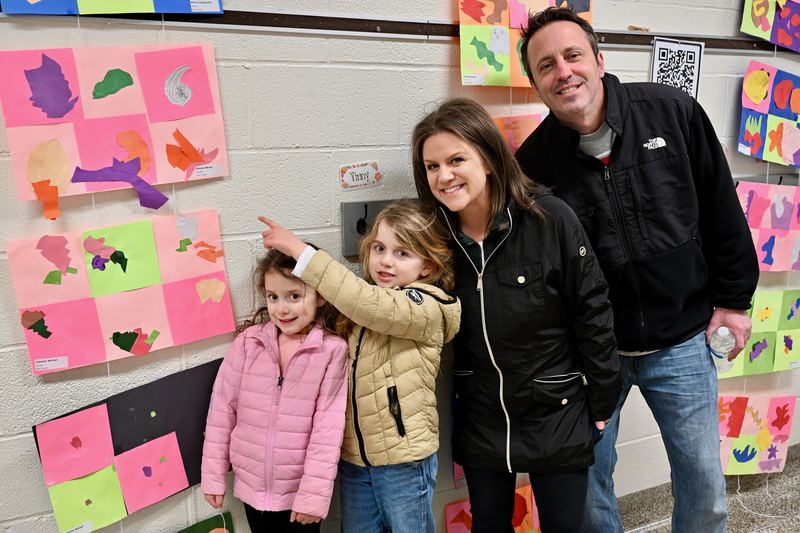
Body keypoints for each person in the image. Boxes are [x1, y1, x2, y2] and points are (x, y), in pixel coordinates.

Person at [516, 7, 760, 532]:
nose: (563, 72)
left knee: (704, 483)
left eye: (573, 55)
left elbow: (722, 209)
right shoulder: (532, 165)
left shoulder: (672, 112)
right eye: (546, 65)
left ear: (599, 60)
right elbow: (541, 274)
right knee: (585, 487)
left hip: (683, 337)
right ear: (535, 83)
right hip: (591, 352)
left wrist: (734, 302)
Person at [412, 97, 621, 533]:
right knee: (488, 524)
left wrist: (603, 399)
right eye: (432, 166)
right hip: (482, 414)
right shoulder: (433, 239)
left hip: (556, 408)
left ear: (489, 159)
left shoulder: (550, 218)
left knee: (565, 527)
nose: (443, 176)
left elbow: (593, 309)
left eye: (456, 160)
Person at [259, 199, 462, 533]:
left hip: (403, 460)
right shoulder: (360, 305)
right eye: (379, 248)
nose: (386, 260)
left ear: (427, 266)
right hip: (355, 460)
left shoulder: (427, 307)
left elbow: (370, 305)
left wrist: (300, 251)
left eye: (402, 253)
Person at [201, 247, 349, 533]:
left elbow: (328, 430)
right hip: (251, 489)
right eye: (273, 297)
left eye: (294, 296)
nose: (282, 309)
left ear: (319, 296)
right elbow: (221, 413)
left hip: (299, 495)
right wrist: (213, 476)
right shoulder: (248, 344)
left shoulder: (332, 351)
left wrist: (313, 497)